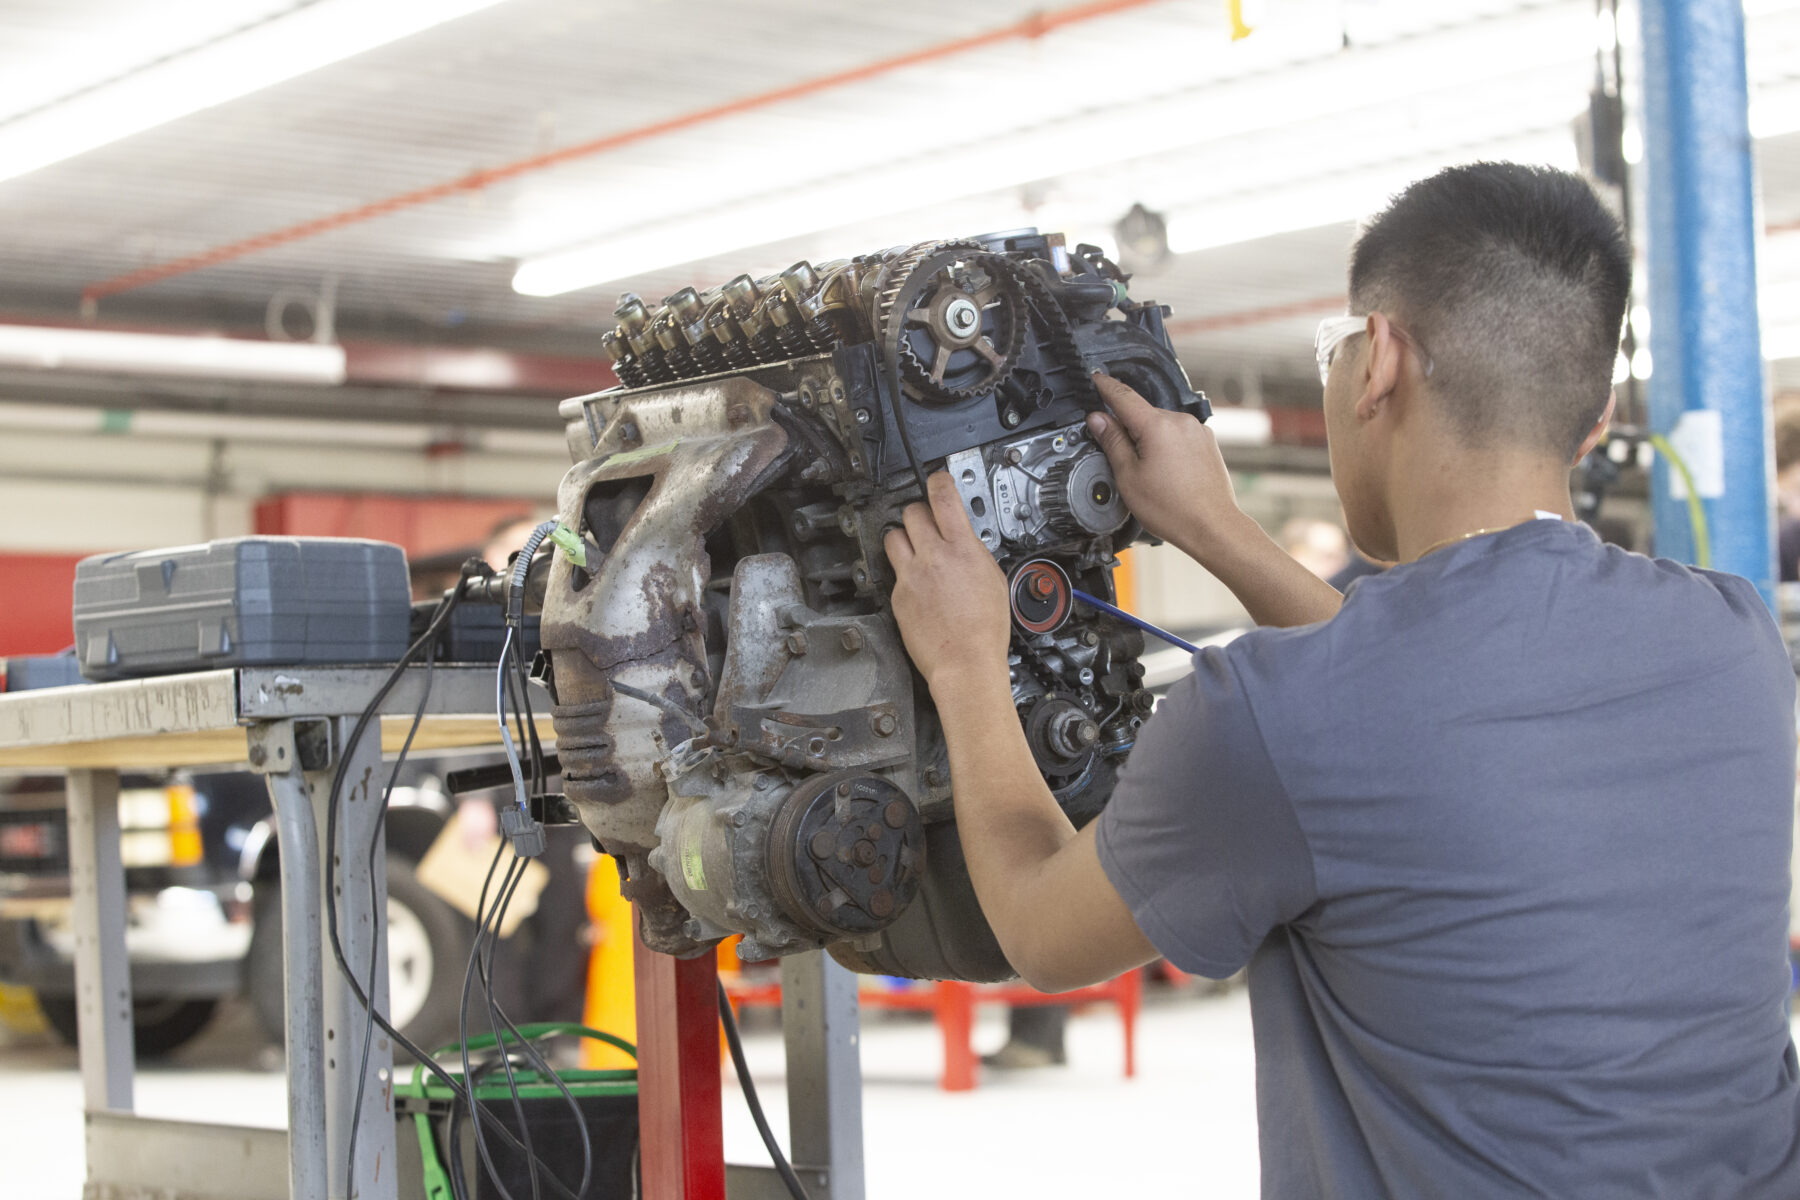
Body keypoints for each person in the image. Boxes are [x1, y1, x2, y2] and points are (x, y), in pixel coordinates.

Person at [882, 163, 1800, 1196]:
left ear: (1381, 364)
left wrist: (964, 664)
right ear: (1587, 424)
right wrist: (1215, 529)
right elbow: (1416, 711)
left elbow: (1043, 932)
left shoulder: (1273, 714)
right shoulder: (1736, 640)